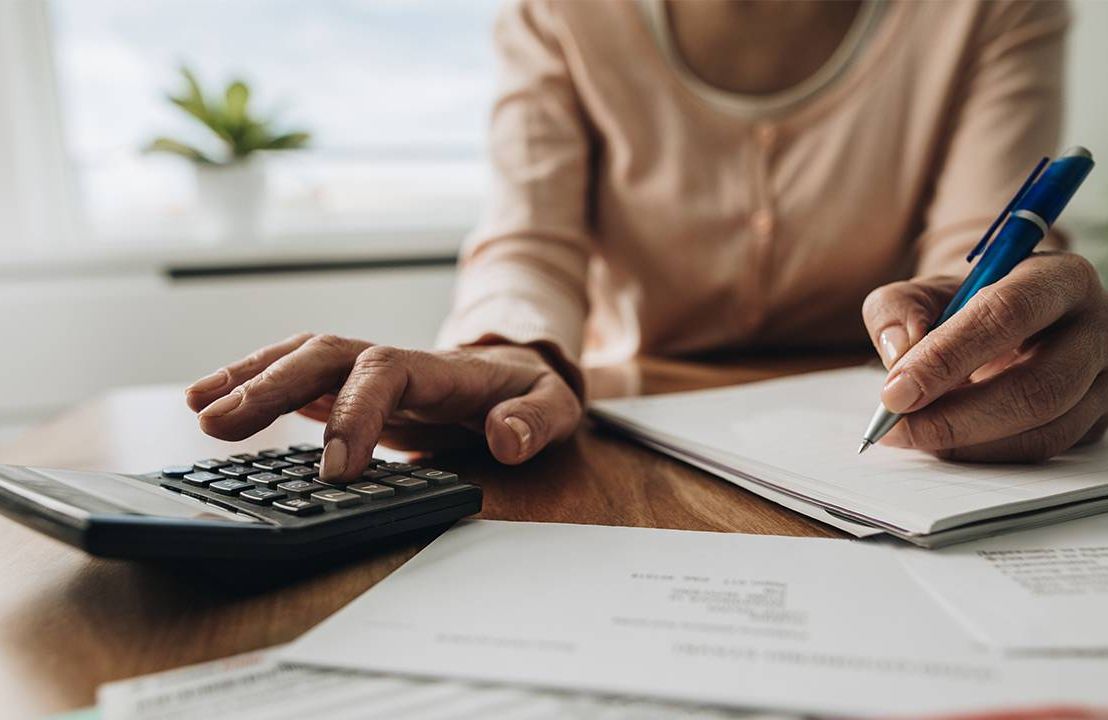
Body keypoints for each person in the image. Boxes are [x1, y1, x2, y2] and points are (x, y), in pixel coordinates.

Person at [186, 0, 1108, 483]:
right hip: (639, 430)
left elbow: (980, 243)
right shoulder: (559, 11)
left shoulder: (996, 5)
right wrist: (511, 349)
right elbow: (529, 241)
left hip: (893, 429)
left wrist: (1005, 319)